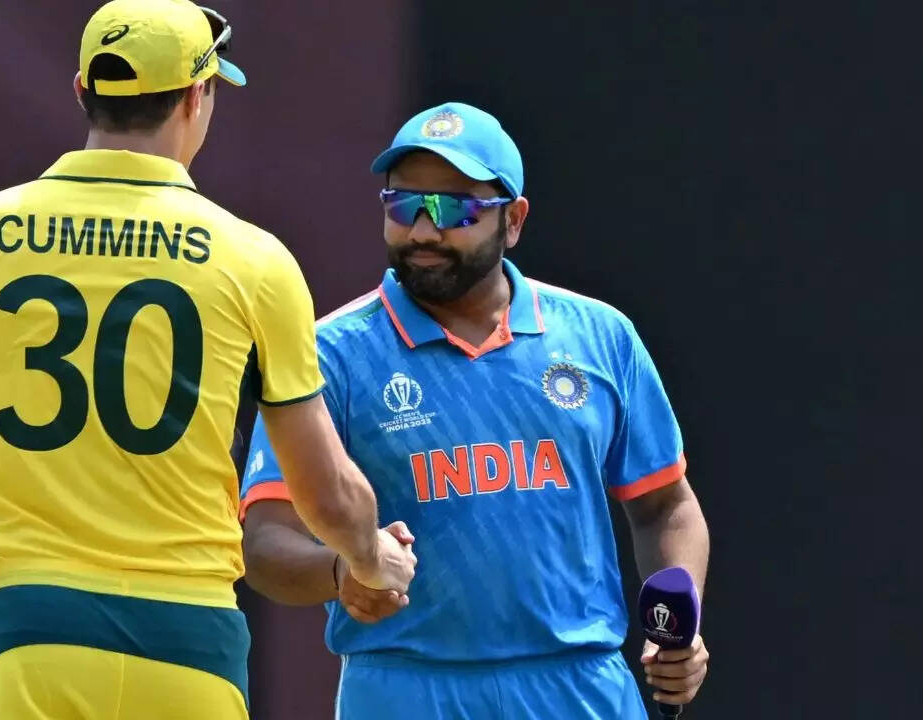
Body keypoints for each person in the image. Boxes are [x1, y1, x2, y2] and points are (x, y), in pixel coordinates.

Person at [0, 2, 415, 718]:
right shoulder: (255, 260)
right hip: (186, 642)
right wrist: (372, 561)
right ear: (196, 97)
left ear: (83, 90)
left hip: (28, 635)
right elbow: (325, 494)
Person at [240, 102, 710, 719]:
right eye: (404, 206)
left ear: (513, 220)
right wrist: (341, 574)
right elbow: (264, 540)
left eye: (454, 210)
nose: (423, 232)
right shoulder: (331, 354)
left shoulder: (601, 336)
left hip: (578, 687)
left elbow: (665, 506)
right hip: (406, 690)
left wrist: (678, 629)